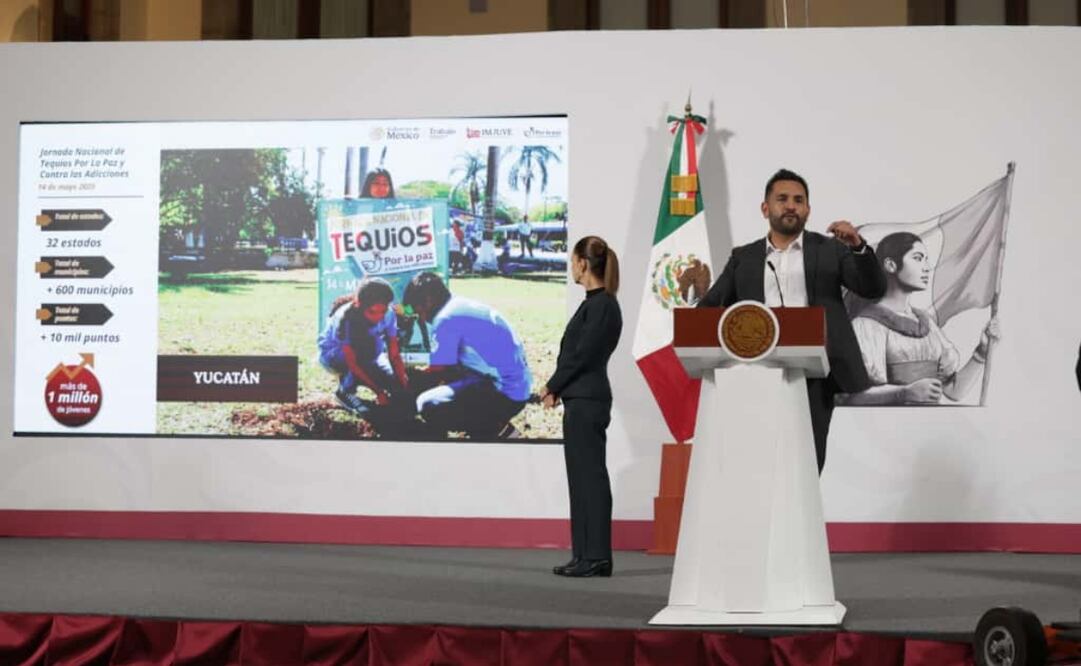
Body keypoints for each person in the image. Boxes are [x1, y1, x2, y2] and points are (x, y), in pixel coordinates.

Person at [698, 168, 887, 473]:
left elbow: (873, 288)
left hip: (813, 374)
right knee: (759, 461)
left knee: (807, 461)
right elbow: (709, 308)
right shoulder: (743, 258)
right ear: (765, 208)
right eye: (782, 199)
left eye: (798, 200)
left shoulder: (831, 250)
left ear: (808, 210)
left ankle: (801, 519)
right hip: (755, 369)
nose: (790, 206)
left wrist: (858, 247)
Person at [542, 236, 622, 578]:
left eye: (573, 260)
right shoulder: (594, 304)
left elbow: (582, 355)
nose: (571, 266)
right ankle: (584, 554)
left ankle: (597, 556)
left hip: (588, 400)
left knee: (590, 478)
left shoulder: (602, 305)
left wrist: (553, 385)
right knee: (581, 478)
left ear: (583, 264)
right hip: (581, 398)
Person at [843, 232, 1000, 405]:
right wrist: (904, 393)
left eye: (926, 259)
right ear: (890, 265)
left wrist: (982, 352)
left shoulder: (927, 324)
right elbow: (855, 397)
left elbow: (953, 391)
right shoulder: (866, 325)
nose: (926, 267)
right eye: (918, 258)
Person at [401, 272, 531, 438]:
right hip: (517, 387)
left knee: (427, 403)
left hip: (505, 394)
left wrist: (407, 377)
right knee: (439, 382)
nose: (419, 317)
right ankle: (489, 423)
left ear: (428, 301)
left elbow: (437, 370)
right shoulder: (457, 304)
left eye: (416, 310)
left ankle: (498, 430)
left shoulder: (445, 318)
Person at [318, 278, 410, 414]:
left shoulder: (389, 314)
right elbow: (353, 363)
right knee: (364, 351)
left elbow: (394, 354)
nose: (378, 317)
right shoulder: (345, 319)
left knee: (394, 382)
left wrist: (402, 380)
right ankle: (345, 392)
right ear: (359, 305)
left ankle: (371, 379)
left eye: (382, 311)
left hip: (370, 355)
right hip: (334, 357)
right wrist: (378, 392)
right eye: (372, 312)